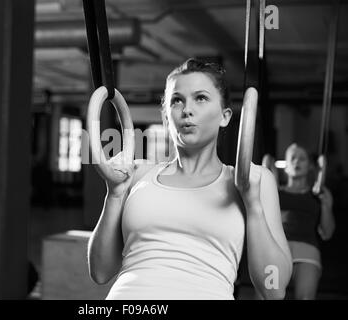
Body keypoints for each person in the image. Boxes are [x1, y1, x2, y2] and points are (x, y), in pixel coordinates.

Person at [87, 58, 293, 300]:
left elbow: (274, 288)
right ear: (166, 117)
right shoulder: (138, 174)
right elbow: (100, 272)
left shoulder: (253, 180)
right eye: (177, 100)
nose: (187, 109)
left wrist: (254, 206)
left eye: (201, 98)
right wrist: (114, 194)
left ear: (225, 116)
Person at [279, 143, 335, 299]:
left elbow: (327, 233)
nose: (297, 162)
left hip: (307, 251)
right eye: (293, 158)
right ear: (286, 165)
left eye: (302, 159)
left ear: (310, 166)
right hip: (276, 250)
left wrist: (325, 204)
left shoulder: (320, 194)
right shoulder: (274, 191)